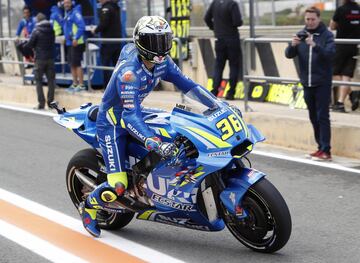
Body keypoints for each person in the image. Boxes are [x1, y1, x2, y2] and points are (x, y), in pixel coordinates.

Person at [78, 16, 218, 237]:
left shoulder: (164, 64)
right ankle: (88, 207)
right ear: (140, 42)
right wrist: (153, 141)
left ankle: (153, 181)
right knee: (119, 186)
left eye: (164, 41)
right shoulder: (129, 74)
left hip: (134, 110)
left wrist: (216, 105)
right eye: (154, 43)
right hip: (114, 122)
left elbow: (189, 86)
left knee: (177, 137)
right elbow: (129, 116)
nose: (160, 49)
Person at [285, 6, 335, 161]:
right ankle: (320, 147)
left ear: (319, 18)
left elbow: (331, 55)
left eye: (313, 19)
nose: (310, 22)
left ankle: (326, 151)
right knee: (313, 116)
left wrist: (316, 46)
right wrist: (292, 45)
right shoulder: (301, 34)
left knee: (322, 116)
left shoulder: (326, 35)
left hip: (322, 82)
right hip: (307, 83)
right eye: (308, 19)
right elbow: (288, 55)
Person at [204, 0, 243, 100]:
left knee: (218, 66)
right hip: (232, 39)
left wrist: (215, 28)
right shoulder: (232, 4)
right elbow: (237, 22)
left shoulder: (215, 3)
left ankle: (214, 91)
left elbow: (206, 18)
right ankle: (231, 93)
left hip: (219, 39)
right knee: (234, 66)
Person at [330, 0, 360, 112]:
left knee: (333, 73)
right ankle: (341, 103)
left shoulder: (341, 9)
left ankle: (352, 94)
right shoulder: (359, 9)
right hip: (354, 45)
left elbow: (332, 26)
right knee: (346, 74)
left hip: (341, 45)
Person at [23, 13, 56, 110]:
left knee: (38, 81)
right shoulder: (52, 30)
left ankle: (41, 104)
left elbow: (30, 44)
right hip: (50, 58)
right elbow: (52, 42)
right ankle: (50, 103)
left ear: (38, 20)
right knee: (51, 81)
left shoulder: (36, 31)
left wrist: (26, 47)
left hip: (40, 59)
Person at [91, 0, 122, 89]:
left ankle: (107, 88)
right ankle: (119, 86)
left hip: (108, 42)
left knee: (106, 65)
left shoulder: (106, 8)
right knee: (117, 65)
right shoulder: (115, 7)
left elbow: (104, 23)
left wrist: (95, 30)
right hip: (117, 41)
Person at [63, 0, 86, 92]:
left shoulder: (75, 14)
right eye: (65, 3)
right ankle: (75, 83)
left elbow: (82, 26)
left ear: (72, 3)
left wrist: (76, 38)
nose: (66, 5)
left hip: (76, 43)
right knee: (72, 64)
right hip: (69, 43)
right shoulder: (67, 14)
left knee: (77, 64)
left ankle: (81, 85)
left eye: (68, 3)